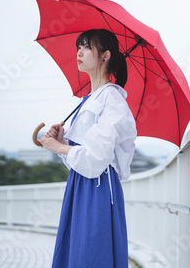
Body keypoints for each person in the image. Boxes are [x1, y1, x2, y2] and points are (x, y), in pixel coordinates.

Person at [38, 29, 137, 268]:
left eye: (86, 47)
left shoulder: (112, 100)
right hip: (82, 183)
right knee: (77, 253)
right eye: (78, 47)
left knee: (91, 256)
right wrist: (62, 143)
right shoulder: (89, 100)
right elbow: (81, 159)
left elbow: (96, 159)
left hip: (99, 188)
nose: (79, 52)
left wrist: (57, 148)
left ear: (105, 56)